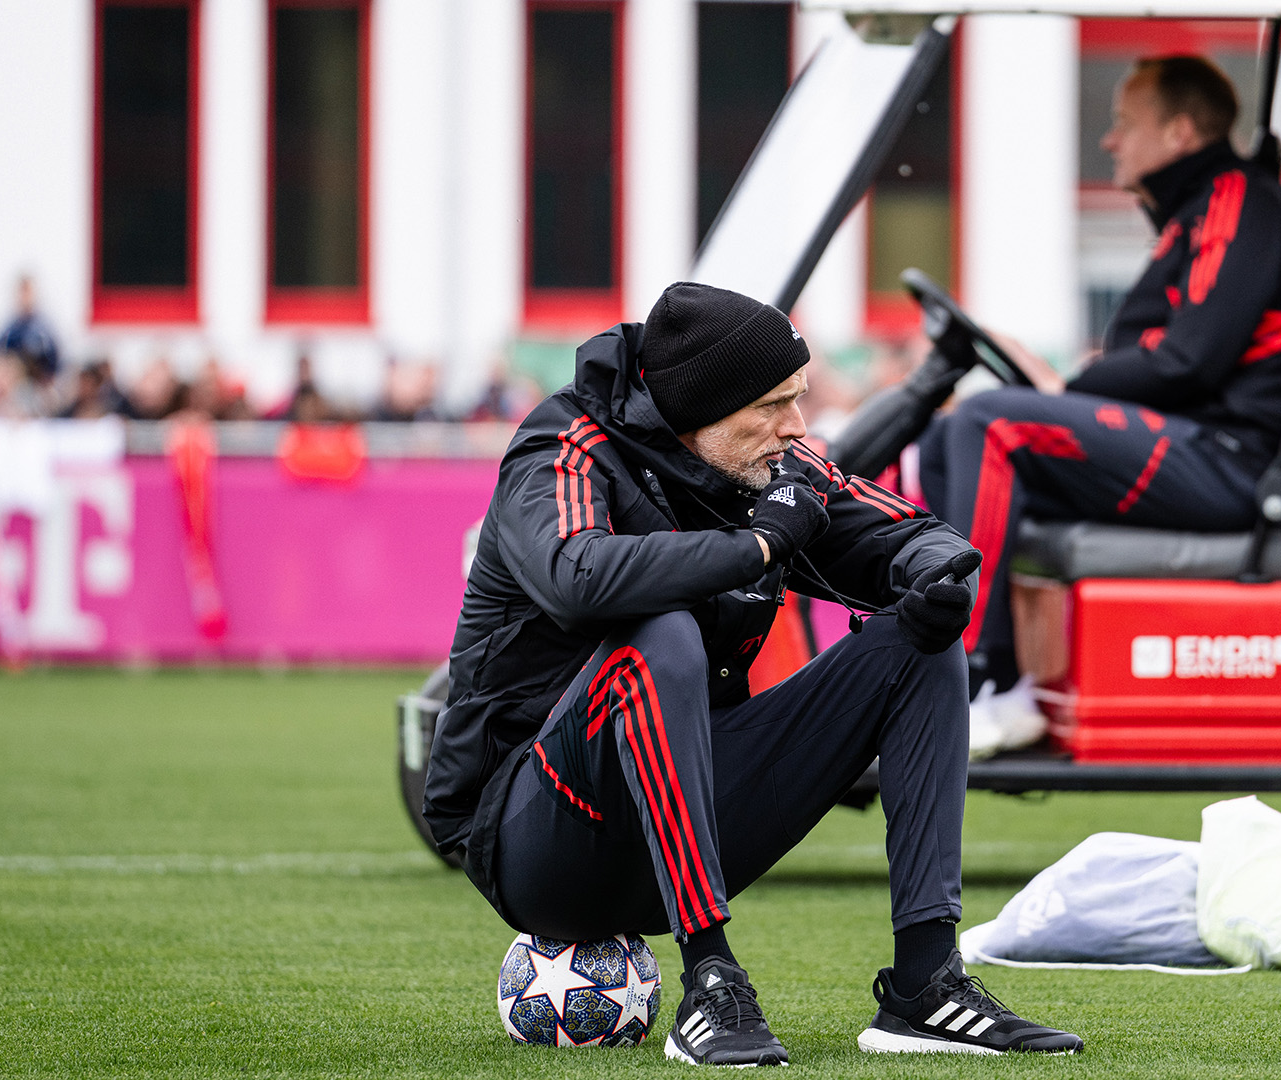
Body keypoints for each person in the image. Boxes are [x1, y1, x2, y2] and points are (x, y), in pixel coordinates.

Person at [423, 282, 1083, 1065]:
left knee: (923, 634)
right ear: (701, 406)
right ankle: (712, 982)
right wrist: (761, 546)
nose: (796, 428)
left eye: (799, 400)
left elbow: (907, 533)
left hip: (674, 820)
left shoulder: (759, 460)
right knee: (660, 631)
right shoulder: (560, 446)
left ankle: (925, 988)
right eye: (773, 406)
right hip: (536, 841)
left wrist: (945, 576)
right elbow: (578, 573)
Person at [916, 55, 1281, 752]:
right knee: (947, 435)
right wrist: (1065, 386)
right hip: (1188, 444)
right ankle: (1001, 675)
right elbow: (1167, 356)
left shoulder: (1235, 199)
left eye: (1123, 123)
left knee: (990, 423)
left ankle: (972, 679)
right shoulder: (1193, 215)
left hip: (1231, 465)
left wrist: (1063, 390)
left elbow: (1190, 359)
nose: (1110, 141)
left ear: (1180, 132)